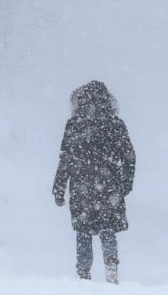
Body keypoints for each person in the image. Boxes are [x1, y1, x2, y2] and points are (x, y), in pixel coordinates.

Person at [52, 80, 136, 283]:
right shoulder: (115, 123)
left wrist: (59, 186)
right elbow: (129, 156)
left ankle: (83, 272)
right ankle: (111, 264)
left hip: (82, 184)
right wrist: (126, 182)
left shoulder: (74, 124)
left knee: (83, 229)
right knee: (107, 227)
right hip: (109, 184)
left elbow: (66, 158)